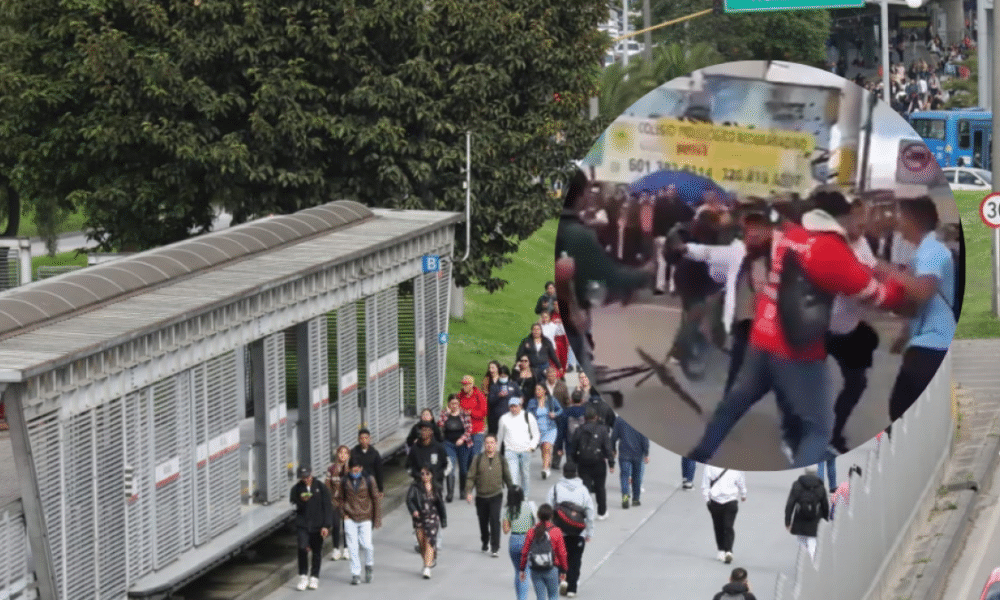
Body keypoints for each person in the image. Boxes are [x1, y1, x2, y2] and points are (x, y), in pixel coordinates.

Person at [687, 190, 907, 467]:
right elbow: (879, 296)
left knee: (733, 405)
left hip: (762, 335)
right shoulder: (829, 249)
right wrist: (900, 282)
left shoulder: (792, 236)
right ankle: (795, 489)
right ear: (841, 216)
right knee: (818, 429)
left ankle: (697, 458)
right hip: (796, 347)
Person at [555, 169, 655, 379]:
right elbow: (610, 275)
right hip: (568, 321)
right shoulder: (578, 235)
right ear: (581, 195)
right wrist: (644, 275)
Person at [877, 198, 955, 424]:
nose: (897, 222)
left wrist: (887, 271)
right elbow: (914, 305)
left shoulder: (932, 251)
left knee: (905, 415)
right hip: (924, 345)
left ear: (913, 219)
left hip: (933, 347)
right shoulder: (923, 252)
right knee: (903, 413)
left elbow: (923, 292)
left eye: (900, 216)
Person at [825, 200, 881, 454]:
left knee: (856, 384)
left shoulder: (864, 245)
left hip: (849, 327)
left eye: (863, 222)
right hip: (820, 327)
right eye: (856, 221)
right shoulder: (829, 244)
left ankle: (835, 432)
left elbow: (870, 274)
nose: (860, 227)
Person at [546, 462, 595, 598]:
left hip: (559, 532)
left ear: (563, 472)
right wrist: (589, 532)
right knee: (575, 560)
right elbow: (590, 512)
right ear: (576, 473)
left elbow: (548, 510)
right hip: (578, 532)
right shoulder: (583, 490)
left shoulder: (555, 488)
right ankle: (572, 588)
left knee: (559, 557)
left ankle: (560, 580)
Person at [466, 434, 515, 557]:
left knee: (494, 520)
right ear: (484, 444)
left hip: (496, 495)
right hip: (481, 497)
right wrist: (468, 492)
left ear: (496, 444)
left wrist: (513, 492)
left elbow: (507, 477)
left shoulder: (501, 459)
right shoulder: (477, 459)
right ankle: (485, 540)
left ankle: (495, 547)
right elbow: (471, 477)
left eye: (492, 442)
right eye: (487, 443)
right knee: (483, 522)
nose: (489, 445)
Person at [335, 457, 382, 585]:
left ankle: (369, 566)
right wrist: (343, 514)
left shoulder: (368, 479)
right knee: (352, 547)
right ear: (349, 468)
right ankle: (355, 574)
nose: (356, 470)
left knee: (367, 545)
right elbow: (339, 499)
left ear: (361, 468)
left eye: (358, 467)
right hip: (350, 517)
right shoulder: (344, 481)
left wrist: (377, 518)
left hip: (365, 516)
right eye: (353, 467)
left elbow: (376, 498)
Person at [290, 466, 333, 591]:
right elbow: (293, 504)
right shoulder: (297, 488)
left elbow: (327, 507)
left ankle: (314, 577)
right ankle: (303, 576)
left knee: (316, 551)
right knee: (302, 548)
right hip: (303, 524)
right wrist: (301, 500)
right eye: (303, 478)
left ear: (312, 474)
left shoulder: (321, 487)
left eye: (308, 477)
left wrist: (326, 525)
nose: (306, 479)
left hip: (318, 524)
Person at [569, 407, 614, 520]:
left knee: (585, 488)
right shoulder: (602, 429)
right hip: (599, 462)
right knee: (600, 487)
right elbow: (608, 448)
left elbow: (573, 449)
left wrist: (574, 462)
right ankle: (602, 512)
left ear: (584, 418)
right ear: (596, 417)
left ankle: (585, 512)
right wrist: (611, 463)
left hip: (583, 462)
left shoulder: (579, 430)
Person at [519, 504, 569, 600]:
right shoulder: (556, 531)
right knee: (553, 595)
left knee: (540, 597)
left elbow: (525, 552)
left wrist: (522, 569)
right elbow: (562, 553)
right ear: (551, 516)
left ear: (538, 515)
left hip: (535, 569)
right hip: (552, 568)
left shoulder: (531, 532)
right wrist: (564, 570)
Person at [407, 467, 447, 579]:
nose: (424, 476)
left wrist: (443, 520)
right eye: (422, 473)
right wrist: (413, 510)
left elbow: (441, 505)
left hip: (432, 517)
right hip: (419, 517)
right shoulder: (415, 487)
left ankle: (427, 567)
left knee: (429, 540)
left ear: (432, 475)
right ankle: (429, 559)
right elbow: (409, 500)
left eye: (427, 473)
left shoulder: (437, 488)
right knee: (422, 542)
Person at [702, 465, 747, 564]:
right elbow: (705, 484)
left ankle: (728, 551)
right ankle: (721, 549)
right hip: (715, 501)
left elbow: (741, 481)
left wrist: (743, 493)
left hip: (731, 500)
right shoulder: (710, 466)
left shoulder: (737, 466)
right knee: (718, 526)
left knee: (728, 526)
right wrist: (707, 500)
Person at [498, 396, 541, 496]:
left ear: (520, 406)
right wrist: (496, 452)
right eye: (511, 406)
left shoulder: (528, 416)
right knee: (513, 477)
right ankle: (515, 497)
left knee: (525, 475)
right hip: (510, 451)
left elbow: (536, 434)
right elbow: (499, 436)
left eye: (515, 406)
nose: (513, 409)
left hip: (525, 451)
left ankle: (525, 496)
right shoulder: (504, 419)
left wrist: (532, 446)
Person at [784, 466, 830, 561]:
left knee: (802, 544)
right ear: (816, 473)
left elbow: (790, 504)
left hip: (800, 520)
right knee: (813, 543)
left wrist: (788, 521)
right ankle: (812, 563)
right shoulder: (820, 487)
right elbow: (825, 506)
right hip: (815, 520)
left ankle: (802, 563)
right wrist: (826, 520)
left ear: (805, 472)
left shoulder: (797, 485)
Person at [503, 486, 537, 600]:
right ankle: (522, 598)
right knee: (525, 571)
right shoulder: (529, 506)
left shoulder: (508, 510)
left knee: (518, 571)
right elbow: (535, 523)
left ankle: (519, 597)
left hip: (514, 540)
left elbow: (505, 530)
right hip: (527, 540)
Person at [438, 393, 473, 502]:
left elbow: (469, 429)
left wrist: (462, 439)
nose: (454, 406)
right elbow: (439, 425)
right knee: (450, 468)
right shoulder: (444, 413)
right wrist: (447, 414)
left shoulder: (464, 414)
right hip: (449, 443)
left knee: (463, 469)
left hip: (463, 444)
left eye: (456, 403)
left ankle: (462, 491)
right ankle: (450, 493)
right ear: (448, 404)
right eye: (452, 403)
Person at [526, 382, 564, 480]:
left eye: (539, 389)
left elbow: (560, 410)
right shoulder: (532, 402)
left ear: (544, 391)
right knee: (543, 449)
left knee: (547, 447)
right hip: (538, 430)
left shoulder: (551, 400)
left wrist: (554, 414)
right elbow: (527, 413)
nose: (537, 392)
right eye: (536, 390)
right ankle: (546, 465)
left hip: (550, 428)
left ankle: (545, 469)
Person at [610, 417, 649, 508]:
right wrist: (646, 453)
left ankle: (625, 499)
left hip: (624, 453)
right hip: (638, 454)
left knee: (624, 476)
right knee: (637, 476)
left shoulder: (620, 420)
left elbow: (614, 437)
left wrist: (613, 449)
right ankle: (636, 499)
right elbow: (645, 439)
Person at [325, 445, 352, 561]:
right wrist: (330, 499)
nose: (343, 455)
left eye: (345, 453)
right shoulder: (331, 469)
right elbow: (327, 486)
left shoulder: (351, 469)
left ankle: (346, 549)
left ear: (348, 455)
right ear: (337, 454)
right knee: (336, 526)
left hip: (347, 502)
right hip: (335, 502)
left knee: (347, 526)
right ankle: (336, 549)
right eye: (341, 453)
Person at [406, 421, 449, 489]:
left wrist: (438, 475)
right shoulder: (415, 448)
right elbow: (409, 466)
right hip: (419, 484)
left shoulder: (439, 447)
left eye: (425, 430)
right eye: (421, 430)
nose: (423, 432)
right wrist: (419, 475)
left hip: (436, 483)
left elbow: (448, 465)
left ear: (431, 432)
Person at [555, 390, 588, 471]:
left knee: (571, 465)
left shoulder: (566, 412)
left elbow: (561, 431)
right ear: (582, 400)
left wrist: (559, 448)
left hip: (570, 443)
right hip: (584, 443)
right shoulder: (586, 412)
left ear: (571, 400)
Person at [459, 374, 489, 457]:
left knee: (475, 455)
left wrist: (471, 412)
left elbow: (483, 413)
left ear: (471, 385)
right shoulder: (460, 395)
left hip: (477, 430)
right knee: (464, 457)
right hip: (464, 430)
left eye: (466, 384)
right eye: (463, 384)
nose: (464, 386)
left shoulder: (479, 396)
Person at [488, 365, 521, 437]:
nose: (503, 377)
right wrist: (498, 396)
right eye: (501, 376)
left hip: (511, 416)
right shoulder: (494, 386)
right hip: (497, 418)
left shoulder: (514, 385)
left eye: (505, 376)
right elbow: (490, 401)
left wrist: (517, 404)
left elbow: (520, 396)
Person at [350, 428, 384, 493]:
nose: (364, 441)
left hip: (371, 485)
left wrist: (380, 489)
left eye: (366, 438)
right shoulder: (354, 452)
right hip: (358, 486)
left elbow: (379, 471)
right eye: (361, 438)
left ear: (369, 439)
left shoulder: (374, 453)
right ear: (358, 439)